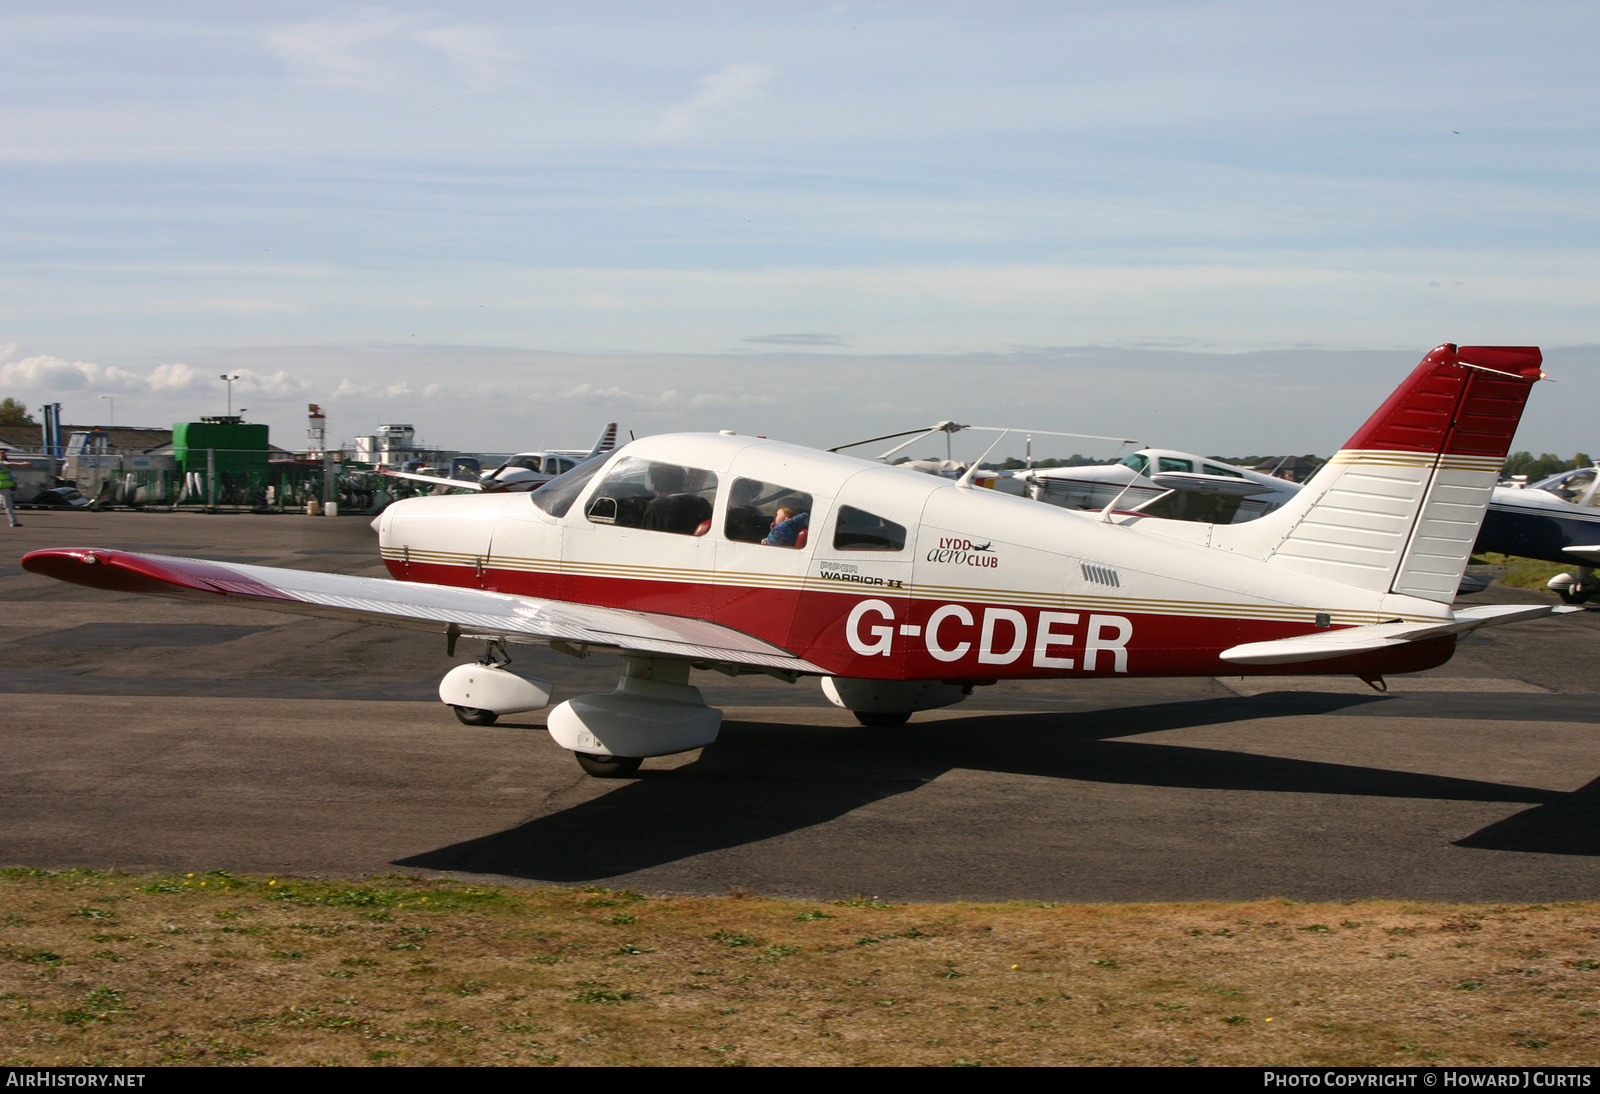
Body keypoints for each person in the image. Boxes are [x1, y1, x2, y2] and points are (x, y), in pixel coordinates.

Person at [0, 447, 21, 527]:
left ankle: (13, 521)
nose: (4, 456)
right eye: (2, 455)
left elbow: (9, 476)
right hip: (3, 487)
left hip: (4, 486)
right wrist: (22, 464)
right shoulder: (2, 464)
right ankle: (13, 522)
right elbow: (10, 464)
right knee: (8, 505)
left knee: (2, 504)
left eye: (4, 455)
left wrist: (13, 483)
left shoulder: (5, 465)